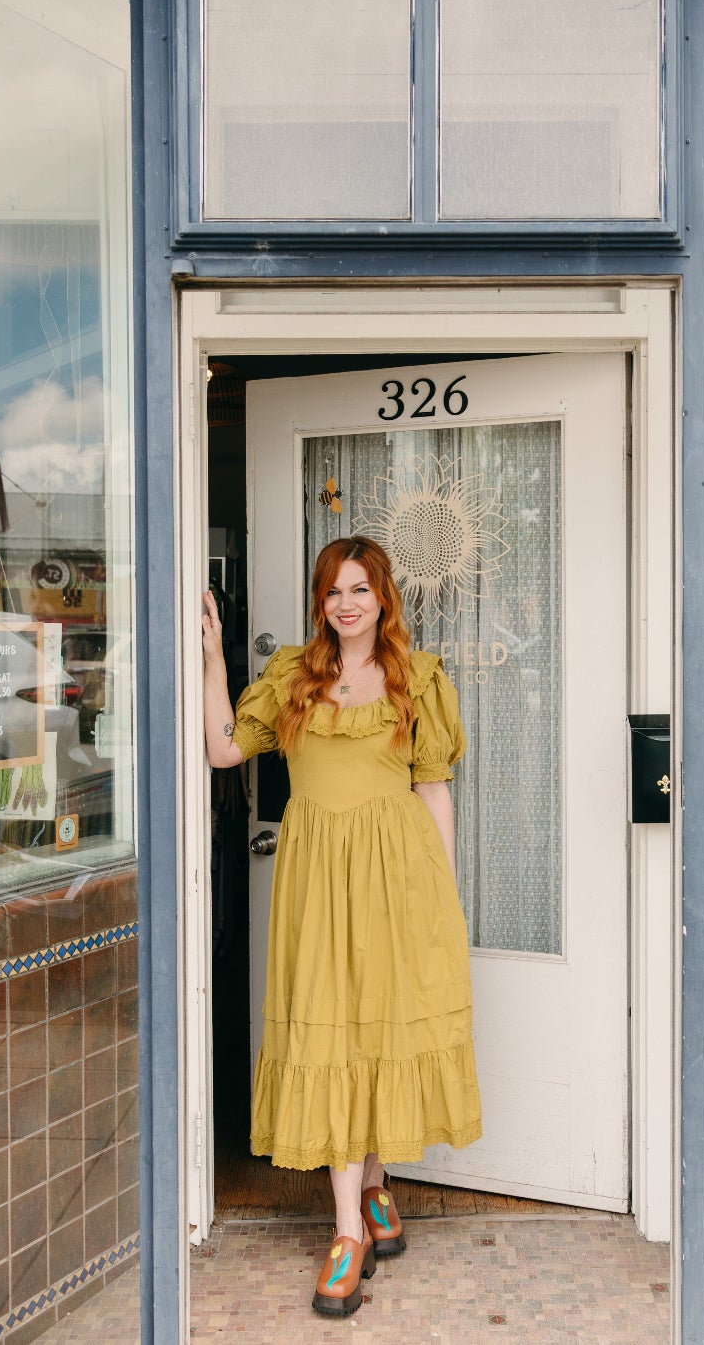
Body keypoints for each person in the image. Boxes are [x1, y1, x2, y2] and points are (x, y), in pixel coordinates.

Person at [200, 535, 482, 1317]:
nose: (346, 603)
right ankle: (349, 1228)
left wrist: (442, 900)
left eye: (360, 588)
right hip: (318, 881)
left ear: (383, 596)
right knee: (332, 1037)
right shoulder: (294, 674)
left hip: (397, 877)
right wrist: (214, 658)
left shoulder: (416, 678)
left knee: (380, 1030)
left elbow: (433, 789)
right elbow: (223, 749)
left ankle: (374, 1187)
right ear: (319, 602)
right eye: (333, 591)